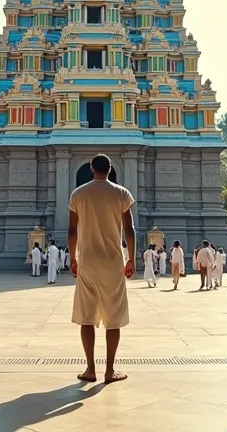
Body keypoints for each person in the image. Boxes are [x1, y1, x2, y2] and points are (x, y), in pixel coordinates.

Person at [68, 154, 136, 384]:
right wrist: (132, 259)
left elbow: (72, 231)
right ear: (110, 169)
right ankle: (109, 371)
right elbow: (130, 229)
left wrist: (73, 258)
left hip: (87, 260)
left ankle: (89, 369)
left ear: (90, 168)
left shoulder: (78, 194)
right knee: (113, 316)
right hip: (113, 261)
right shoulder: (121, 193)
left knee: (87, 316)